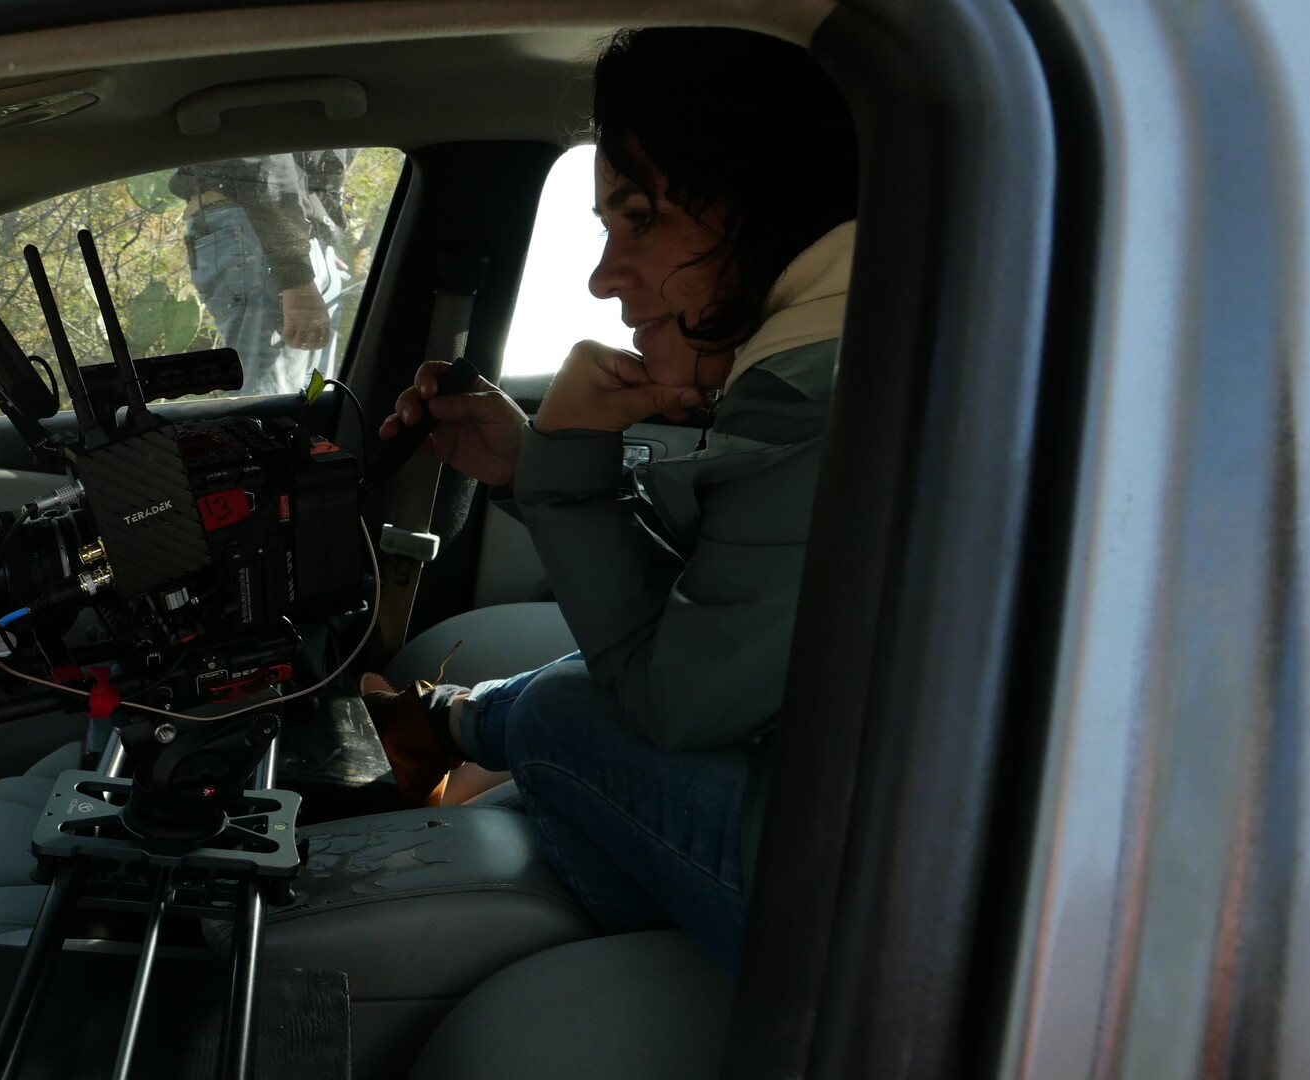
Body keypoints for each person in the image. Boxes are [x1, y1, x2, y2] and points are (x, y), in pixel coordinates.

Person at [365, 26, 860, 973]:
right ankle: (454, 731)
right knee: (565, 690)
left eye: (638, 218)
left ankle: (457, 731)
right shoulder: (849, 354)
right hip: (849, 794)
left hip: (856, 912)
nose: (601, 277)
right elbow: (740, 606)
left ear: (763, 205)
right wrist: (534, 467)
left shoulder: (818, 388)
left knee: (560, 713)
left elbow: (681, 700)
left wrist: (576, 455)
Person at [170, 152, 351, 395]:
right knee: (282, 403)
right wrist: (297, 268)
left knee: (300, 400)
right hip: (269, 231)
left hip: (282, 236)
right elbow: (261, 157)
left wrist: (316, 247)